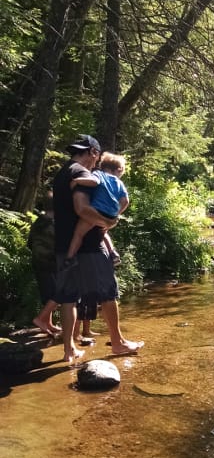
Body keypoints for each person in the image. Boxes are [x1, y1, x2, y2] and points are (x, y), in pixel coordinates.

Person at [52, 134, 144, 363]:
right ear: (93, 152)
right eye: (96, 157)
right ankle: (118, 343)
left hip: (64, 244)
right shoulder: (82, 173)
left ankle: (69, 350)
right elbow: (82, 209)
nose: (96, 163)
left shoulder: (63, 173)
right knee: (108, 293)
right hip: (90, 247)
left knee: (68, 297)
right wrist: (108, 222)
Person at [66, 152, 128, 267]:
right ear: (118, 170)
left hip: (96, 211)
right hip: (110, 215)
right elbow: (125, 201)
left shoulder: (99, 174)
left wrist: (76, 181)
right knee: (103, 232)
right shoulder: (120, 183)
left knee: (79, 233)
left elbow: (93, 182)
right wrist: (116, 214)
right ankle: (113, 253)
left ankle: (70, 257)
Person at [27, 192, 62, 336]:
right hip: (50, 262)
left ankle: (48, 323)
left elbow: (29, 243)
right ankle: (41, 319)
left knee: (48, 294)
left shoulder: (38, 222)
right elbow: (60, 245)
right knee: (59, 293)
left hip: (38, 261)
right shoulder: (54, 224)